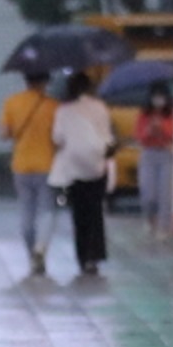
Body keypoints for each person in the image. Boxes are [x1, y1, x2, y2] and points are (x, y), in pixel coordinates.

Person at [48, 71, 116, 276]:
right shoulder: (99, 107)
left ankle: (82, 256)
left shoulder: (63, 111)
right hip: (97, 166)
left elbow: (57, 138)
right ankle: (95, 256)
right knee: (96, 212)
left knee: (79, 214)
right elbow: (106, 135)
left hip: (74, 169)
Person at [0, 71, 59, 276]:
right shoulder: (53, 106)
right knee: (46, 210)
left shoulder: (12, 102)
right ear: (45, 81)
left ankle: (31, 254)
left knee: (26, 211)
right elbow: (58, 138)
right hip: (46, 165)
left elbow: (4, 134)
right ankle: (41, 248)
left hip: (21, 166)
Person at [136, 82, 173, 237]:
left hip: (165, 153)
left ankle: (163, 227)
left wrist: (162, 129)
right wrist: (149, 130)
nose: (158, 100)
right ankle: (149, 219)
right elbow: (139, 136)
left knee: (165, 194)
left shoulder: (170, 115)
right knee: (148, 194)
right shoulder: (144, 115)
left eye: (161, 96)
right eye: (155, 96)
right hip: (149, 154)